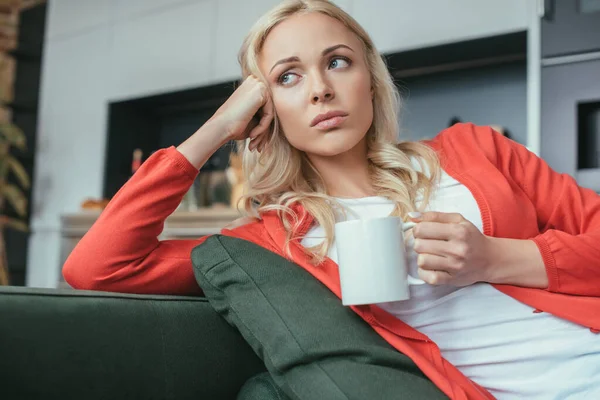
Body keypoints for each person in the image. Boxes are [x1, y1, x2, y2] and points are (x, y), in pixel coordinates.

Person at [63, 0, 600, 398]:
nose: (319, 88)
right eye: (288, 77)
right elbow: (97, 269)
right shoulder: (273, 244)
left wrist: (494, 258)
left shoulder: (476, 149)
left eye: (338, 62)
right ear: (265, 107)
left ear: (369, 77)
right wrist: (216, 128)